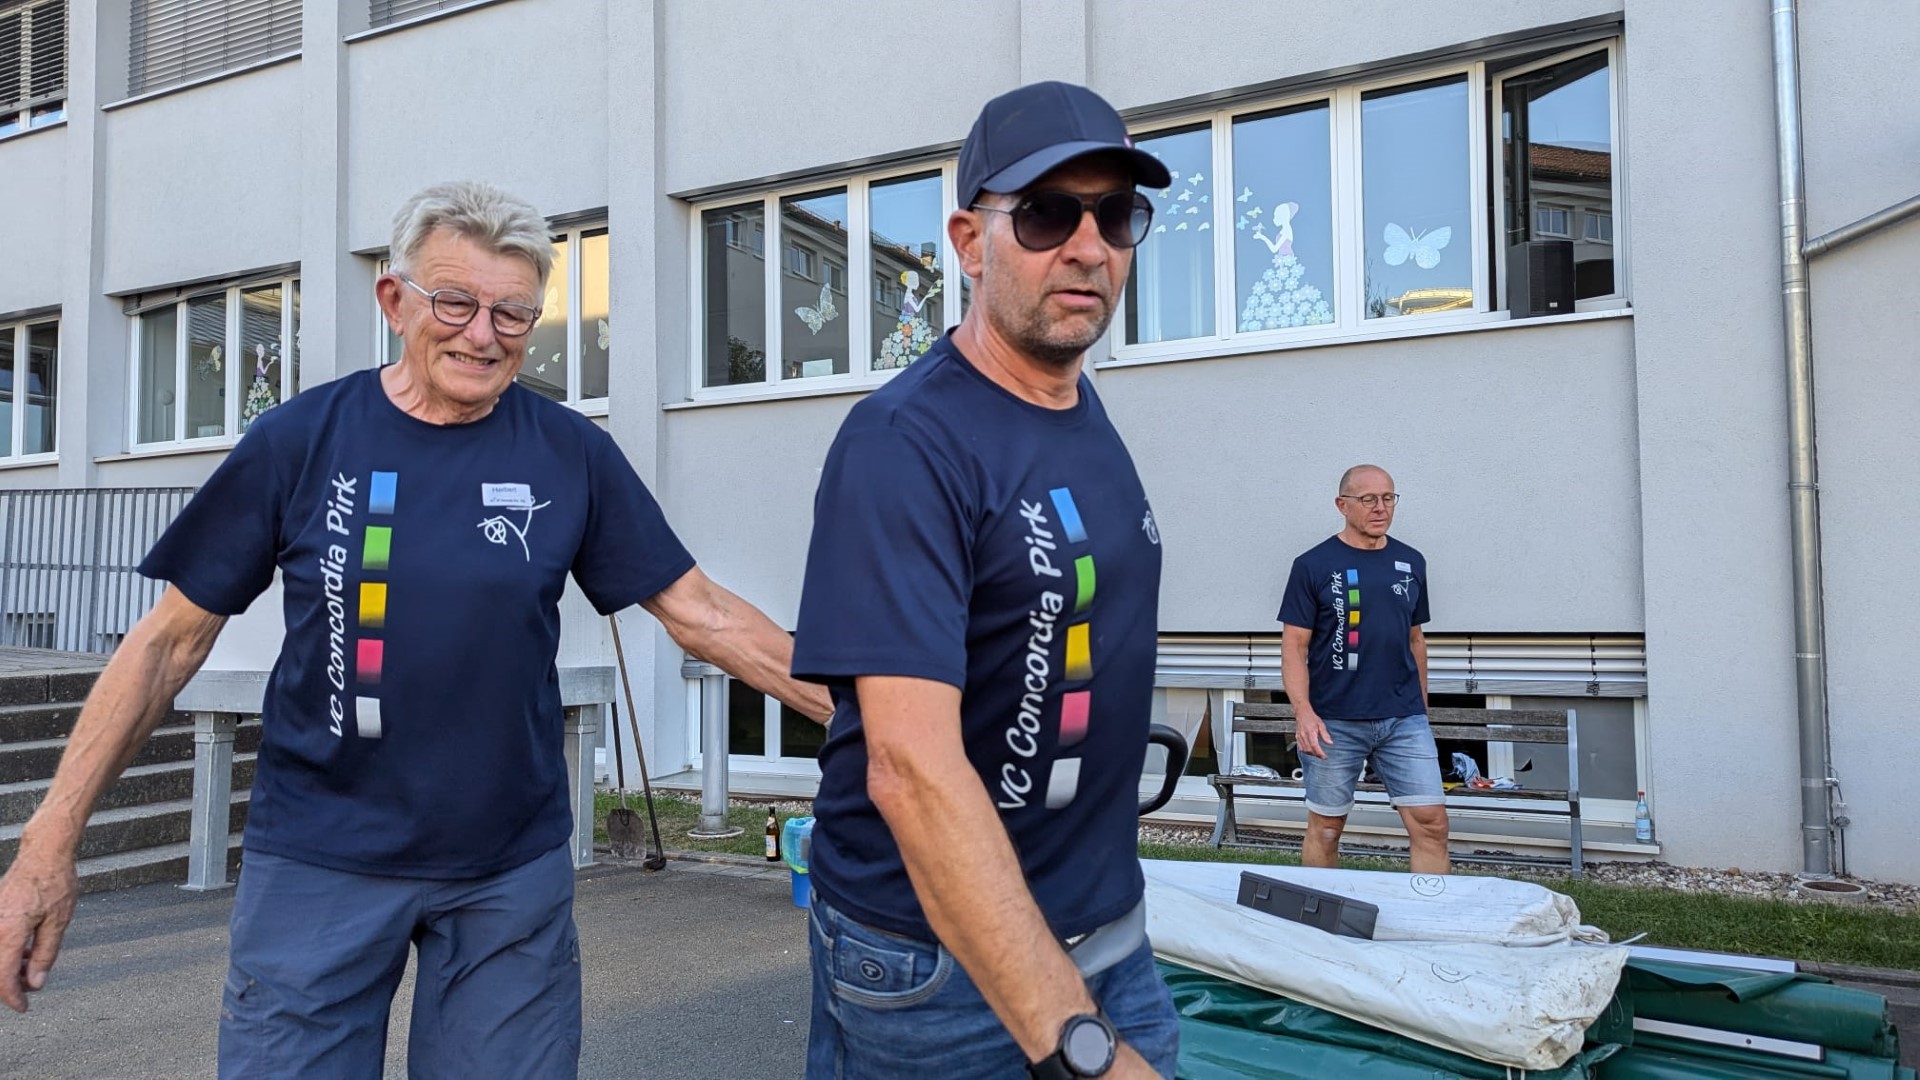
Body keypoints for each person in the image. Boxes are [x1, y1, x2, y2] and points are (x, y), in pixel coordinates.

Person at [0, 180, 832, 1077]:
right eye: (456, 302)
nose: (483, 334)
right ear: (394, 301)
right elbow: (168, 643)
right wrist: (50, 840)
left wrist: (883, 720)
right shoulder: (300, 441)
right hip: (318, 861)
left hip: (506, 876)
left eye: (512, 314)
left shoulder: (569, 454)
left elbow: (703, 614)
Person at [791, 81, 1177, 1079]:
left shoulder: (1082, 413)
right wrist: (1079, 1050)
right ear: (970, 241)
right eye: (1048, 214)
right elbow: (910, 770)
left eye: (1116, 215)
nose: (1089, 247)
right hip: (941, 972)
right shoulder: (905, 443)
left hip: (1110, 936)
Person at [1278, 464, 1449, 874]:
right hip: (1333, 722)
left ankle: (1430, 910)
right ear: (1342, 505)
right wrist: (1303, 712)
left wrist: (1420, 708)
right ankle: (1319, 910)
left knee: (1432, 824)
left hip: (1403, 720)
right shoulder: (1313, 565)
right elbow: (1294, 646)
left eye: (1388, 498)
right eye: (1368, 499)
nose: (1380, 508)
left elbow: (1415, 640)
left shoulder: (1411, 561)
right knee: (1326, 830)